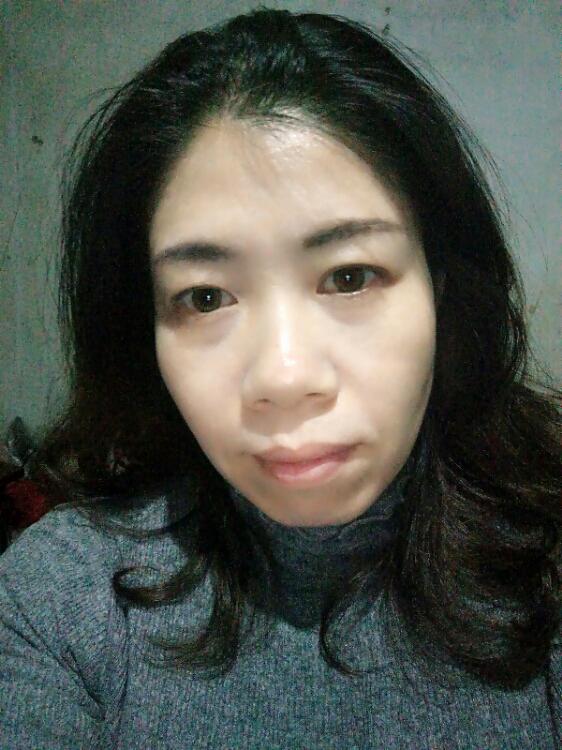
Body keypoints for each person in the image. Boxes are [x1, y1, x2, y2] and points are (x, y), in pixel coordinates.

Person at [0, 7, 560, 749]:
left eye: (350, 276)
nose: (286, 378)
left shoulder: (547, 568)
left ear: (444, 291)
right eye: (205, 298)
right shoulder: (59, 599)